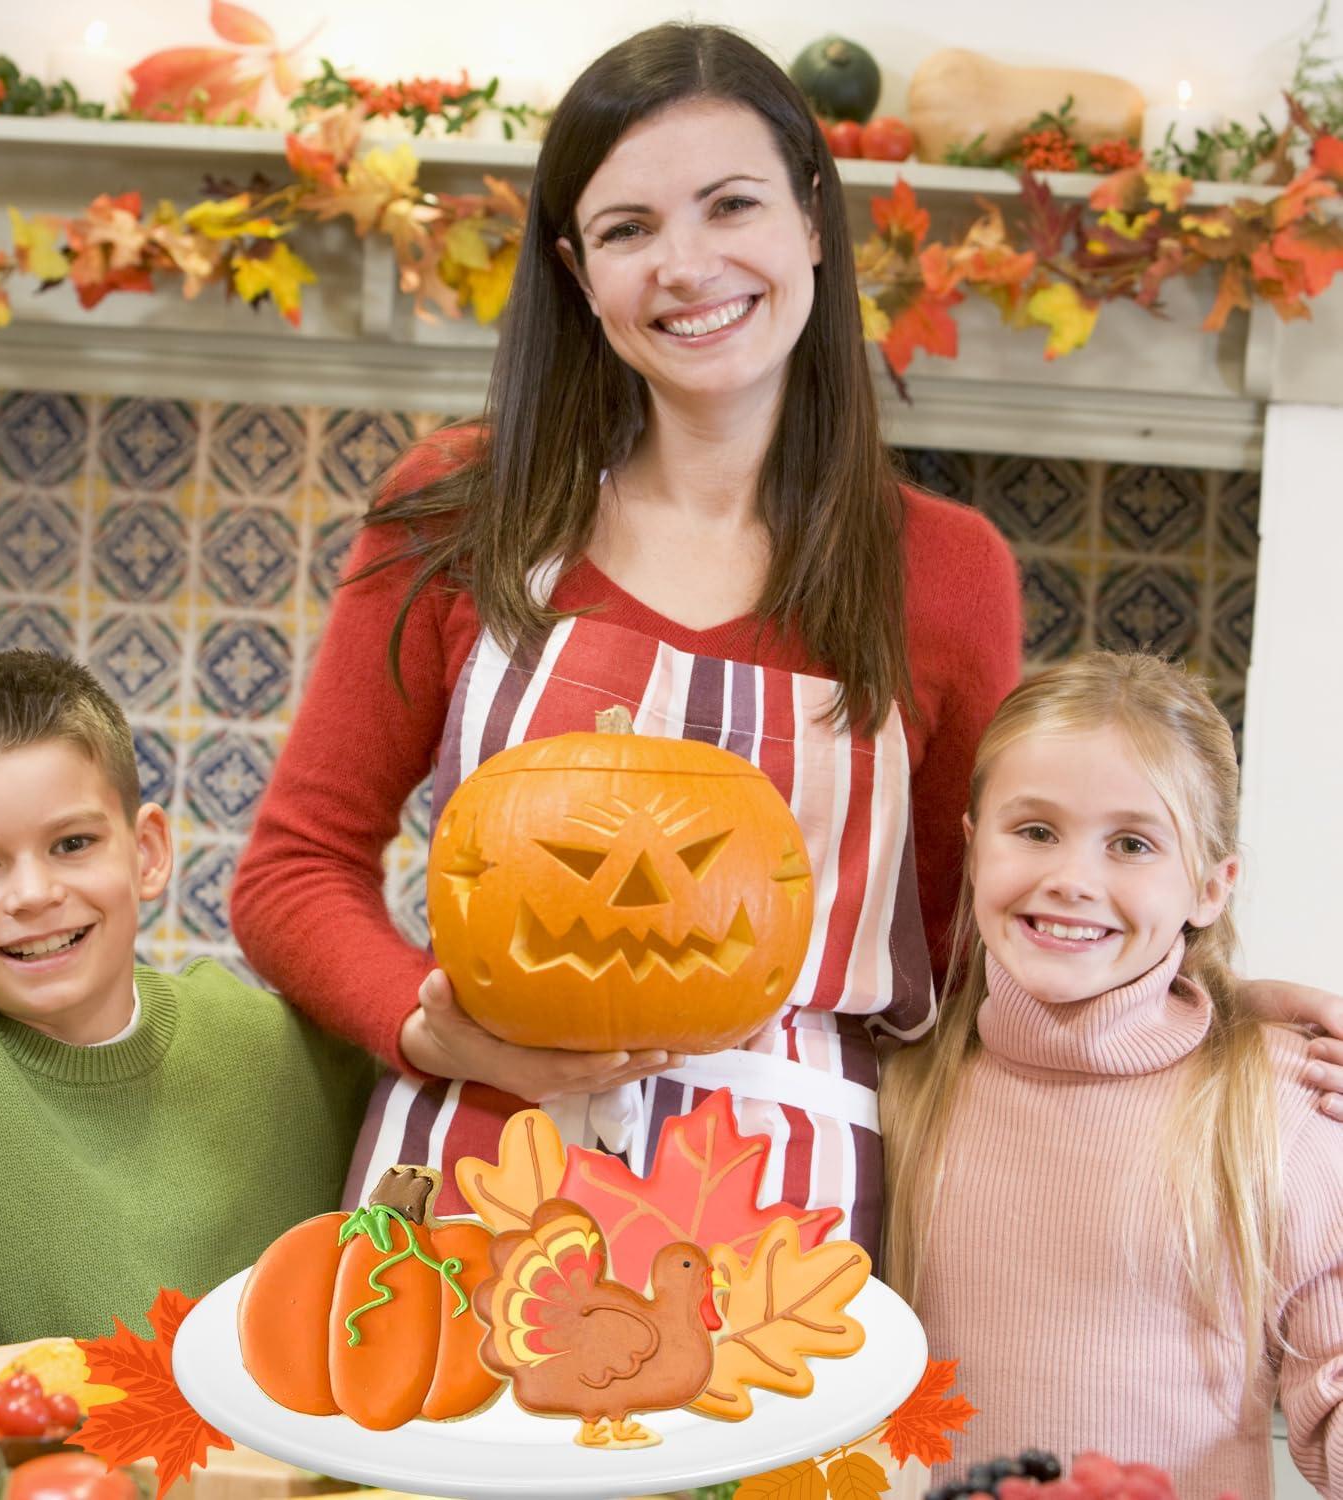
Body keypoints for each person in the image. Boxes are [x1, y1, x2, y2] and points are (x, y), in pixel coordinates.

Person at [231, 22, 1021, 1253]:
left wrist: (1211, 1008)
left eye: (731, 205)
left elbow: (984, 937)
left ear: (813, 221)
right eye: (628, 229)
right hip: (469, 1180)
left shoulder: (948, 574)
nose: (686, 266)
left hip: (784, 1224)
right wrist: (431, 1026)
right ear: (578, 270)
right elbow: (292, 870)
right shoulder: (458, 511)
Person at [880, 652, 1343, 1496]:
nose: (1071, 880)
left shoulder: (1287, 1107)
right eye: (1035, 831)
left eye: (1131, 843)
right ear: (973, 848)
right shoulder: (894, 1089)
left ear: (1211, 885)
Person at [0, 650, 372, 1357]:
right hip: (10, 1464)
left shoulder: (289, 1058)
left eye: (71, 843)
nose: (32, 894)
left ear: (147, 851)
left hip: (255, 1468)